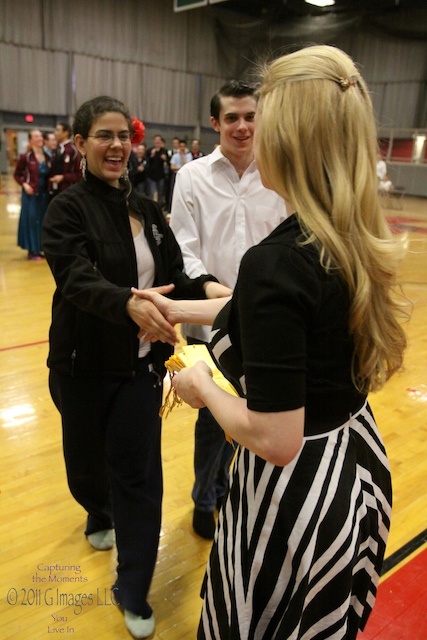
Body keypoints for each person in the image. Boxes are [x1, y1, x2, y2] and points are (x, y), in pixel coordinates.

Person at [135, 45, 408, 639]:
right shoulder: (342, 231)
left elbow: (274, 437)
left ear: (286, 140)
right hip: (353, 463)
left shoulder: (275, 262)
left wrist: (201, 386)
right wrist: (178, 305)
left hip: (297, 495)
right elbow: (276, 318)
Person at [41, 96, 229, 640]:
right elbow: (74, 277)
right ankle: (97, 510)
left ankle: (133, 586)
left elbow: (179, 276)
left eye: (124, 135)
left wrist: (224, 295)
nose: (118, 145)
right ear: (80, 144)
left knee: (140, 478)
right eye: (104, 135)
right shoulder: (67, 209)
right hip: (79, 370)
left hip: (141, 372)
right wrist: (127, 301)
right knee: (86, 468)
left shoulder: (148, 212)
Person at [170, 80, 287, 539]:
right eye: (232, 118)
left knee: (258, 414)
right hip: (211, 319)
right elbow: (182, 245)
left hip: (270, 320)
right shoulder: (192, 177)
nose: (242, 126)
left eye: (250, 116)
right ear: (216, 123)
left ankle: (228, 487)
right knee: (211, 419)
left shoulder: (279, 173)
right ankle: (205, 496)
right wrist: (210, 287)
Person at [14, 129, 51, 260]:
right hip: (30, 194)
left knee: (42, 220)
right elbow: (17, 175)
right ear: (31, 140)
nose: (39, 138)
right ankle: (32, 250)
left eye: (40, 136)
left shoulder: (47, 156)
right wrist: (25, 185)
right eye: (36, 136)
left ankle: (41, 248)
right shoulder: (26, 157)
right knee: (31, 220)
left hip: (43, 194)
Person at [49, 121, 82, 197]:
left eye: (58, 130)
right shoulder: (56, 149)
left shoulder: (74, 150)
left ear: (65, 133)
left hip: (69, 192)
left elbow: (79, 174)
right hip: (55, 190)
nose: (55, 133)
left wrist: (63, 177)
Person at [145, 134, 169, 208]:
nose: (157, 142)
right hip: (151, 175)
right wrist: (151, 156)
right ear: (154, 141)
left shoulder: (164, 151)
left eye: (159, 141)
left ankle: (158, 207)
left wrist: (165, 159)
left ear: (161, 141)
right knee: (151, 193)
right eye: (156, 140)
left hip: (160, 175)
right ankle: (150, 207)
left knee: (160, 193)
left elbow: (169, 162)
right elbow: (146, 162)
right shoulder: (150, 150)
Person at [168, 139, 192, 212]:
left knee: (184, 192)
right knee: (172, 191)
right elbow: (172, 167)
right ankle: (171, 209)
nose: (182, 148)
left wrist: (182, 157)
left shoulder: (189, 155)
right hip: (175, 174)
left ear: (185, 147)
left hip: (185, 176)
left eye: (183, 146)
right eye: (180, 146)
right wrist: (182, 167)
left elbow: (188, 166)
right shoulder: (175, 156)